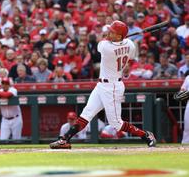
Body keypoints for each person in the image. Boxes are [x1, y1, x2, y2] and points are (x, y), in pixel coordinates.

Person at [50, 21, 157, 149]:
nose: (109, 33)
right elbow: (131, 59)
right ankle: (64, 139)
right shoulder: (130, 44)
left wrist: (117, 42)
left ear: (119, 36)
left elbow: (103, 42)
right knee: (87, 113)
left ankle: (146, 135)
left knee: (116, 123)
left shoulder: (106, 47)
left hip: (112, 87)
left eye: (112, 32)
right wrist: (121, 42)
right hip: (101, 85)